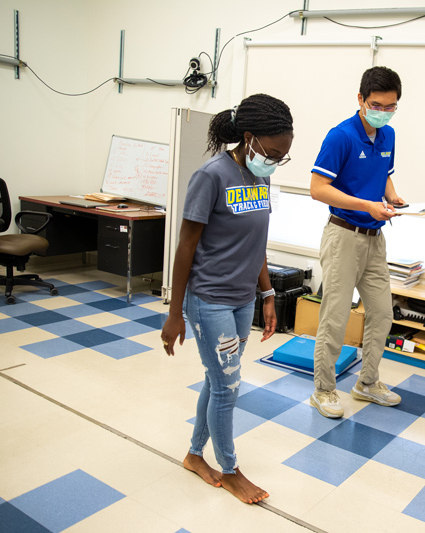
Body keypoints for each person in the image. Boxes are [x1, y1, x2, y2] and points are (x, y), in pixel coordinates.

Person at [161, 93, 293, 503]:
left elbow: (258, 240)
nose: (274, 161)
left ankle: (195, 455)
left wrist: (267, 292)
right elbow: (185, 247)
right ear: (248, 137)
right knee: (229, 386)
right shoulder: (211, 176)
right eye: (271, 152)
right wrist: (174, 313)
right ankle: (231, 469)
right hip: (209, 299)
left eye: (282, 156)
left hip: (241, 300)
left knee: (218, 380)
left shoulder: (261, 175)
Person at [309, 66, 404, 418]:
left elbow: (386, 177)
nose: (384, 111)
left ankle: (367, 383)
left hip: (375, 239)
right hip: (343, 235)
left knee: (381, 313)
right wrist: (367, 204)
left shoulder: (388, 135)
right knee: (335, 317)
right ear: (361, 99)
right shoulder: (341, 136)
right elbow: (318, 189)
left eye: (391, 106)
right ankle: (323, 390)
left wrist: (393, 199)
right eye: (378, 104)